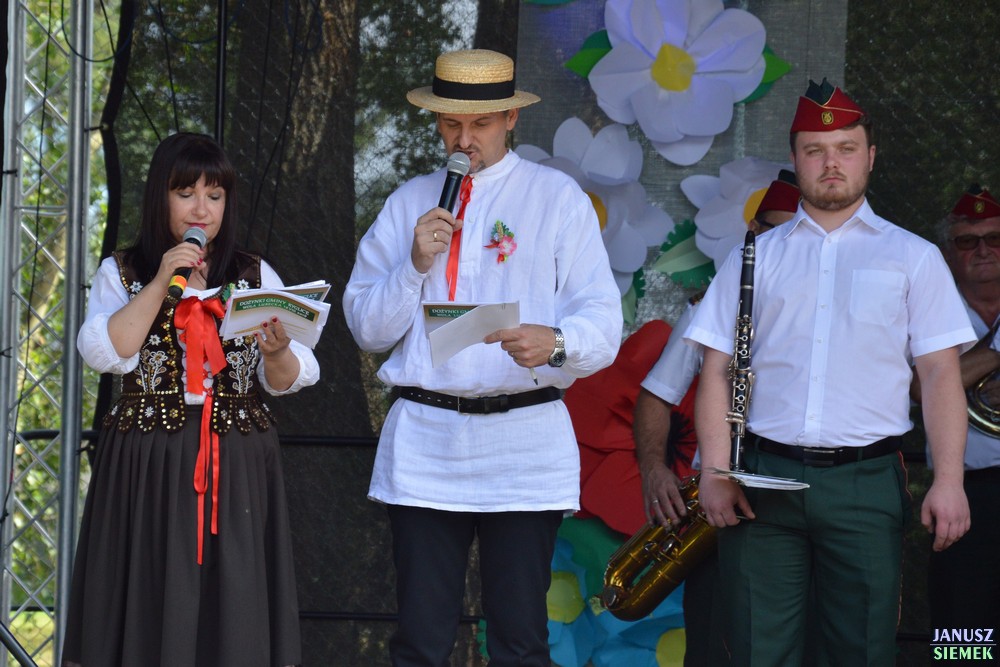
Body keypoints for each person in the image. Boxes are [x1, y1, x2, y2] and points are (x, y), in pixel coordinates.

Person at [342, 49, 622, 667]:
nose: (464, 140)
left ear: (511, 119)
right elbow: (366, 328)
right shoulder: (409, 202)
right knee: (420, 642)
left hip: (524, 441)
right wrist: (414, 265)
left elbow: (604, 321)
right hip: (426, 440)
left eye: (481, 124)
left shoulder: (556, 197)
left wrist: (556, 342)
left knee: (520, 641)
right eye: (451, 124)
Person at [685, 79, 974, 665]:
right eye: (815, 150)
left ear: (870, 157)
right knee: (756, 650)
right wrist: (715, 470)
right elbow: (716, 370)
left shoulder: (914, 257)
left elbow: (942, 377)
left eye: (846, 148)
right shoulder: (754, 256)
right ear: (796, 160)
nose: (831, 163)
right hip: (761, 480)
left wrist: (949, 479)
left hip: (864, 482)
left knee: (860, 651)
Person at [64, 132, 319, 667]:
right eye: (186, 193)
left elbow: (291, 376)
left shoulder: (252, 274)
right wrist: (163, 279)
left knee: (234, 597)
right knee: (150, 593)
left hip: (236, 459)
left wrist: (277, 352)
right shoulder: (124, 271)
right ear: (161, 196)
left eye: (215, 196)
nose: (202, 209)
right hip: (148, 459)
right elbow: (105, 351)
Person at [634, 170, 799, 667]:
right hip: (718, 503)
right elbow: (656, 396)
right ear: (753, 231)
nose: (785, 245)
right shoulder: (714, 303)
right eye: (774, 230)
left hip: (799, 497)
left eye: (798, 234)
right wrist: (654, 469)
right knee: (713, 646)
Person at [917, 184, 1000, 644]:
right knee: (963, 628)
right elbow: (919, 387)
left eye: (995, 238)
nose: (983, 250)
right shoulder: (932, 312)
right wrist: (995, 354)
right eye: (968, 241)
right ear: (949, 254)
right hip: (966, 493)